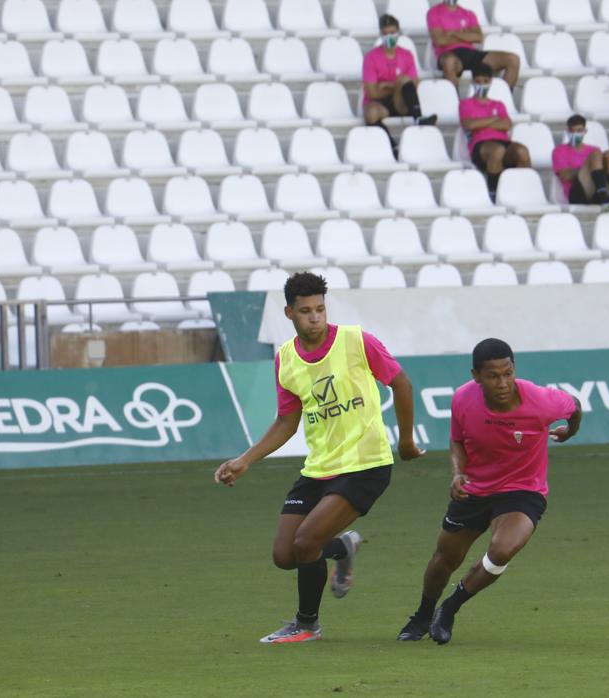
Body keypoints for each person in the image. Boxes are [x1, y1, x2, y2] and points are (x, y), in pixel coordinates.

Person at [213, 271, 424, 644]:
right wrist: (245, 460)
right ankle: (342, 547)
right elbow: (286, 422)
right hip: (319, 469)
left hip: (366, 465)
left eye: (320, 309)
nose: (315, 317)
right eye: (305, 311)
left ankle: (307, 625)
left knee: (306, 543)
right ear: (289, 313)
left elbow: (402, 384)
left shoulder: (357, 341)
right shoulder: (286, 359)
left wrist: (405, 441)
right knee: (285, 555)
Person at [395, 338, 582, 645]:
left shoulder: (541, 401)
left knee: (502, 549)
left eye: (508, 373)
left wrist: (570, 431)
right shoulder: (463, 399)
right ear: (476, 376)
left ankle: (450, 608)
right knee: (444, 560)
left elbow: (574, 406)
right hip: (475, 490)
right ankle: (423, 614)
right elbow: (457, 441)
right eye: (493, 376)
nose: (503, 383)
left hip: (523, 489)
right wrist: (458, 474)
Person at [460, 62, 530, 200]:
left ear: (490, 82)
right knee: (497, 151)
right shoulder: (465, 104)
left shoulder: (498, 104)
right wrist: (493, 119)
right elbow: (470, 125)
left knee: (522, 151)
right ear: (473, 82)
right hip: (480, 145)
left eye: (485, 81)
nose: (482, 84)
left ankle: (525, 189)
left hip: (503, 141)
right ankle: (494, 191)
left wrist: (482, 123)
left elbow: (506, 124)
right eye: (478, 81)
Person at [362, 14, 437, 136]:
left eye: (392, 32)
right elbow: (372, 93)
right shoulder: (370, 57)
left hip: (400, 102)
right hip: (380, 104)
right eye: (385, 33)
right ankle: (391, 144)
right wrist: (398, 86)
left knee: (403, 79)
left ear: (398, 32)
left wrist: (389, 85)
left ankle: (418, 118)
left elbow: (414, 84)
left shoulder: (407, 55)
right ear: (380, 34)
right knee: (370, 113)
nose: (389, 37)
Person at [427, 0, 520, 91]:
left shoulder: (468, 13)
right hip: (450, 53)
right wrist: (466, 34)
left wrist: (453, 33)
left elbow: (479, 37)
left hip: (471, 53)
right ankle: (453, 99)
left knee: (512, 59)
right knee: (449, 61)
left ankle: (505, 96)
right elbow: (440, 41)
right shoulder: (434, 13)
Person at [552, 114, 609, 207]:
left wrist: (591, 167)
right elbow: (565, 175)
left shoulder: (593, 149)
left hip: (595, 189)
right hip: (577, 194)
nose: (575, 134)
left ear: (585, 131)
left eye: (579, 131)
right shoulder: (559, 150)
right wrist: (588, 168)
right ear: (567, 131)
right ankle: (604, 201)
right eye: (572, 131)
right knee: (595, 155)